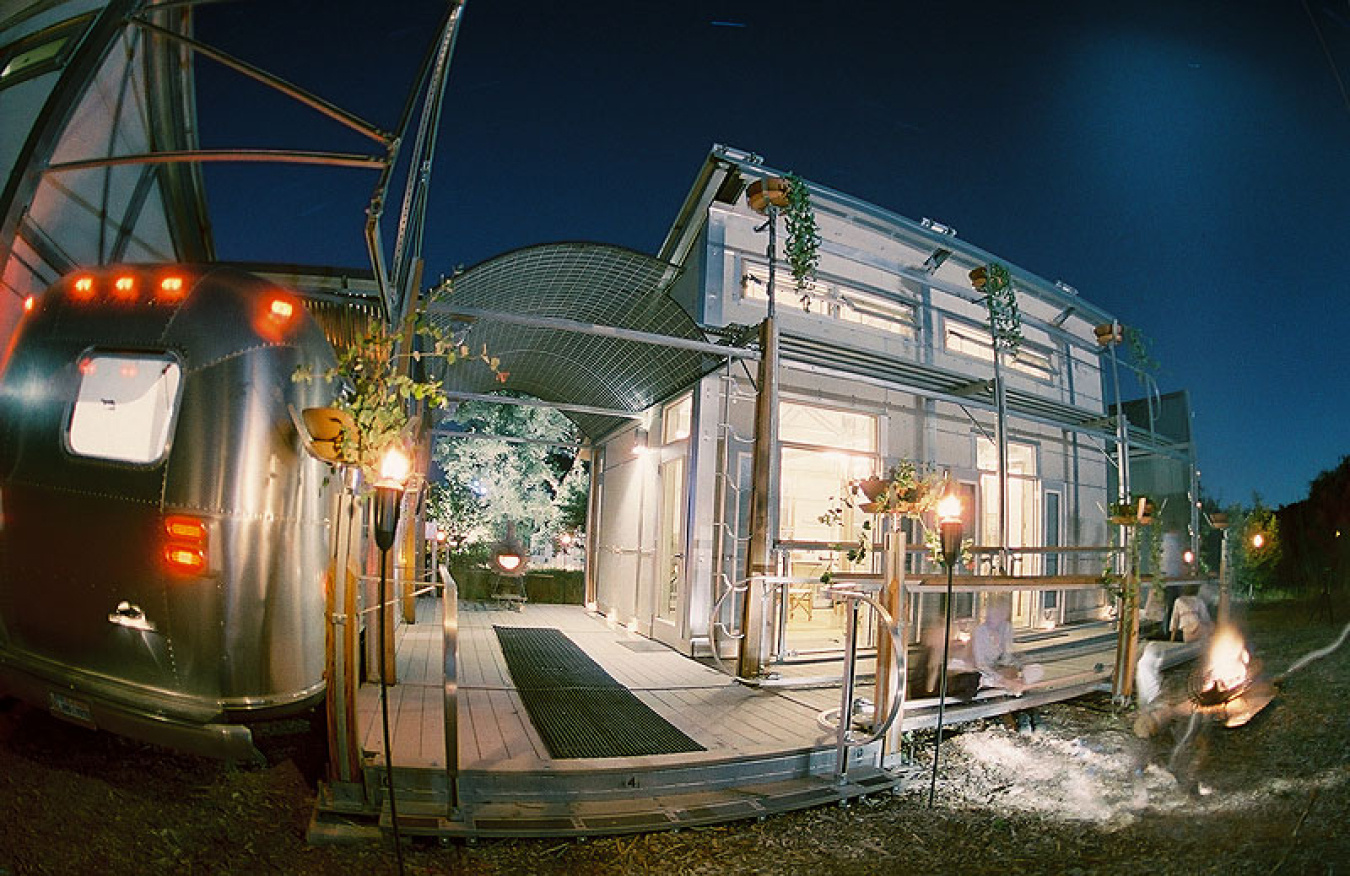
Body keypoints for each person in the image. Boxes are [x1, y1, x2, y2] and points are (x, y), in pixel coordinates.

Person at [972, 595, 1044, 696]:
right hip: (987, 672)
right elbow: (980, 664)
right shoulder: (980, 631)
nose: (994, 617)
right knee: (981, 679)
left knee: (1037, 669)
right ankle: (1010, 685)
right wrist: (1002, 679)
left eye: (1000, 614)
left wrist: (1018, 666)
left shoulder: (1007, 627)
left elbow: (1009, 654)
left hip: (1004, 669)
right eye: (992, 613)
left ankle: (1015, 684)